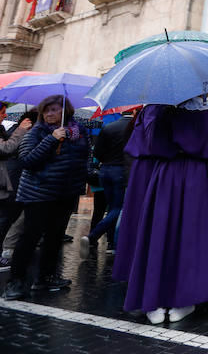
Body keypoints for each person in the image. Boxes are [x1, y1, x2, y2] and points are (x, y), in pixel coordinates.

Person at [112, 98, 208, 324]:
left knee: (160, 233)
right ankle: (184, 300)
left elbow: (151, 144)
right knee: (190, 237)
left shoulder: (162, 111)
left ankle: (153, 299)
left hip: (167, 173)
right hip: (197, 174)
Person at [2, 96, 90, 301]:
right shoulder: (36, 132)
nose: (49, 114)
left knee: (55, 236)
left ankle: (46, 277)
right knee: (30, 237)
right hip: (38, 193)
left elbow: (83, 157)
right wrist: (51, 140)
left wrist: (82, 178)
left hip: (66, 193)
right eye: (46, 110)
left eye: (54, 110)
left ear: (65, 112)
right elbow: (26, 160)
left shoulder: (79, 132)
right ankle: (16, 281)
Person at [80, 109, 136, 257]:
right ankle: (93, 236)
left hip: (105, 170)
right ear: (135, 111)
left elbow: (97, 152)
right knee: (117, 208)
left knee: (112, 208)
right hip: (122, 172)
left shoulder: (109, 127)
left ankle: (111, 243)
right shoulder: (135, 128)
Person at [0, 103, 33, 270]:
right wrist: (20, 129)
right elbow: (5, 149)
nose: (5, 116)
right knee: (4, 218)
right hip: (3, 183)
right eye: (3, 112)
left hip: (5, 180)